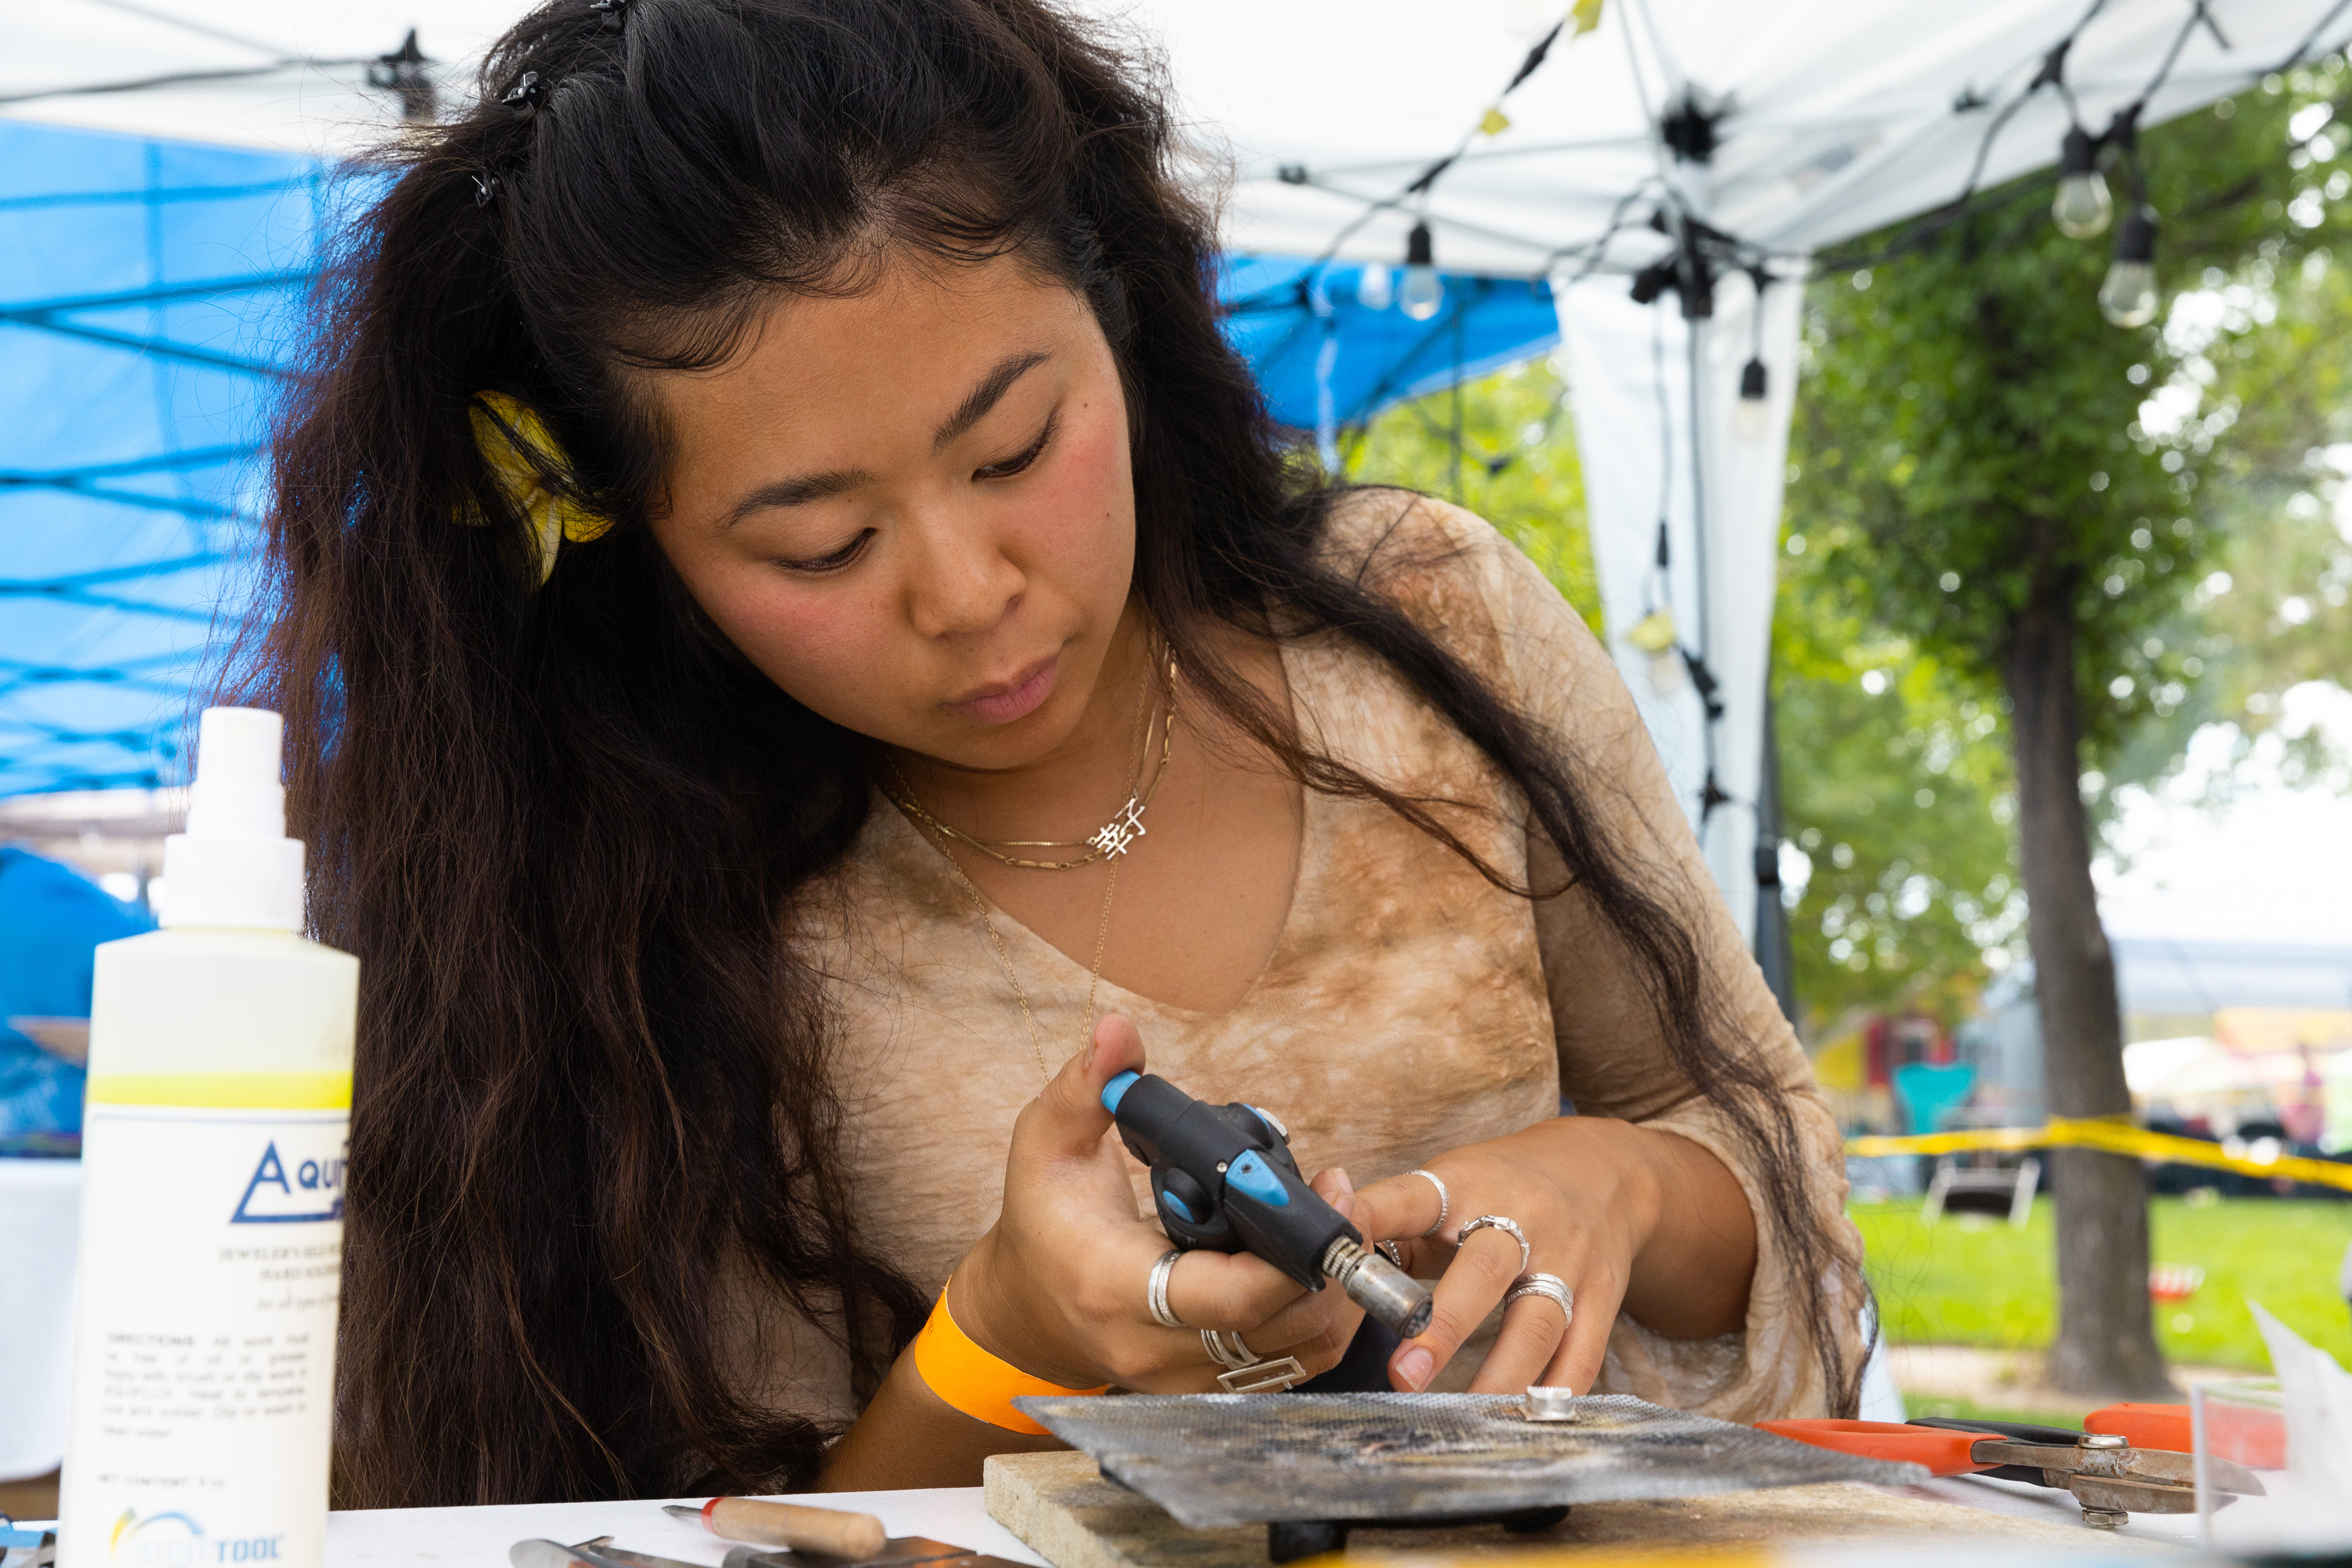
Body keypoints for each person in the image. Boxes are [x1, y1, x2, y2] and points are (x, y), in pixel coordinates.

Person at [239, 0, 1864, 1507]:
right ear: (641, 540)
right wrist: (1001, 1334)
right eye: (819, 546)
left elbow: (1765, 1154)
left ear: (1119, 307)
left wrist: (1613, 1185)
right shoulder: (623, 910)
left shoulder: (1430, 621)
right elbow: (719, 1528)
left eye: (1016, 446)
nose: (967, 593)